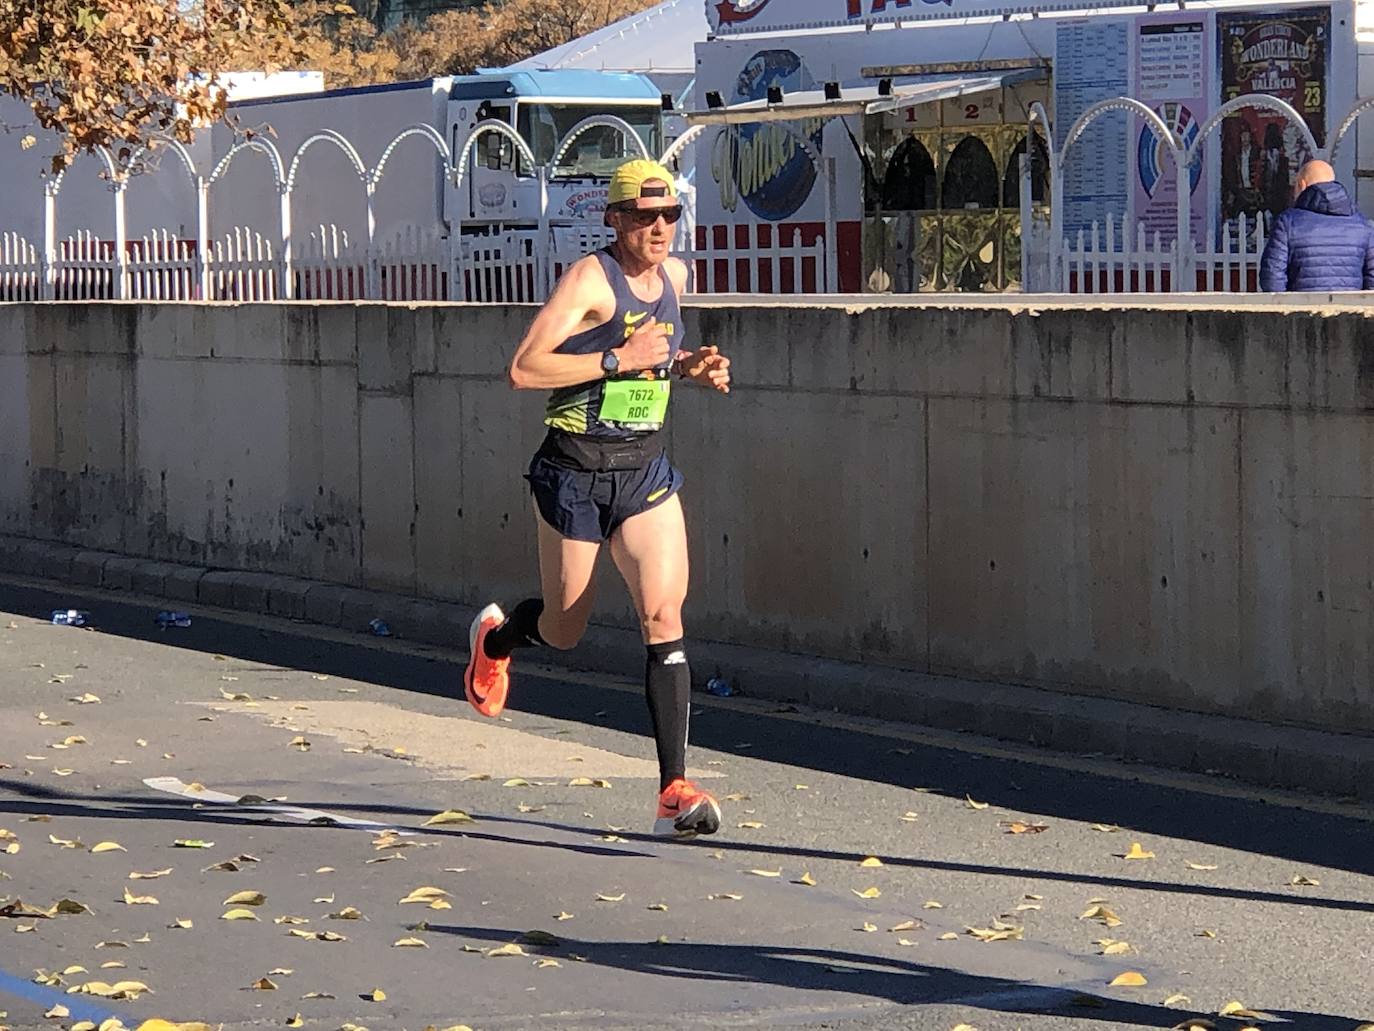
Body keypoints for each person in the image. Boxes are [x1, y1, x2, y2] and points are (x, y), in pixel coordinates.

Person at [461, 158, 732, 838]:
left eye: (671, 215)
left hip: (642, 471)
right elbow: (525, 369)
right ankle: (494, 642)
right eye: (645, 217)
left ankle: (673, 788)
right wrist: (620, 359)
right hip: (574, 471)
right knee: (564, 627)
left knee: (664, 613)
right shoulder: (590, 279)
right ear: (614, 219)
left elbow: (656, 355)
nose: (661, 228)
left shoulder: (675, 277)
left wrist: (687, 367)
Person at [1259, 159, 1374, 291]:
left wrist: (1285, 308)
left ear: (1302, 185)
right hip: (1349, 308)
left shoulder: (1287, 223)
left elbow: (1272, 277)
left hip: (1301, 308)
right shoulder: (1363, 225)